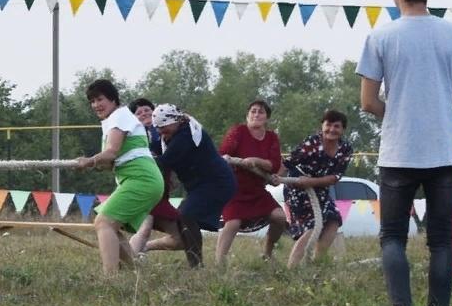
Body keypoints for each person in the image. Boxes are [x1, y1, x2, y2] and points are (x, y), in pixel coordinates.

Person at [358, 0, 452, 306]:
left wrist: (397, 114)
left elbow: (367, 101)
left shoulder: (380, 37)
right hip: (444, 149)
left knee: (393, 236)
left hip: (399, 151)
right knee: (441, 240)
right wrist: (441, 93)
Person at [75, 81, 165, 275]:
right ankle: (135, 274)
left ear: (113, 99)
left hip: (142, 179)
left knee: (103, 223)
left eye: (100, 99)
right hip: (139, 179)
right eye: (92, 101)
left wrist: (89, 161)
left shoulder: (120, 116)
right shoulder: (112, 121)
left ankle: (111, 279)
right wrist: (93, 163)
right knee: (112, 227)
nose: (96, 105)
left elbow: (112, 152)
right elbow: (109, 162)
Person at [149, 104, 236, 267]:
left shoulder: (186, 135)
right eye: (158, 128)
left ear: (174, 121)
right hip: (202, 185)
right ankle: (195, 264)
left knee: (186, 215)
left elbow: (164, 161)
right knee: (184, 217)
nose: (160, 132)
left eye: (163, 127)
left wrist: (139, 161)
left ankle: (196, 266)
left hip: (217, 182)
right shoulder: (174, 132)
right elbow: (153, 148)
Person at [216, 100, 287, 265]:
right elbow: (223, 155)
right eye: (253, 111)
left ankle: (267, 253)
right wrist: (236, 161)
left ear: (267, 117)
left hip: (257, 190)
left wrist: (255, 161)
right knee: (233, 223)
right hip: (234, 188)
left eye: (260, 112)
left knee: (279, 217)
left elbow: (274, 164)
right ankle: (219, 263)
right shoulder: (238, 132)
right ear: (247, 116)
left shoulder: (271, 137)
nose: (256, 115)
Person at [282, 110, 354, 267]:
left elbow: (335, 177)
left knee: (333, 220)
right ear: (322, 126)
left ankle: (317, 261)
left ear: (343, 130)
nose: (332, 130)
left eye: (337, 126)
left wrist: (312, 182)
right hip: (297, 187)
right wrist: (274, 178)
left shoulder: (346, 149)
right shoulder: (312, 143)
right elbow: (288, 162)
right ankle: (291, 268)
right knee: (313, 226)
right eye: (328, 125)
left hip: (320, 189)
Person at [125, 98, 183, 259]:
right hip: (144, 187)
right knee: (145, 228)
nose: (144, 113)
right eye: (138, 112)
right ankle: (127, 267)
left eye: (146, 110)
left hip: (162, 192)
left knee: (183, 238)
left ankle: (142, 248)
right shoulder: (134, 135)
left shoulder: (169, 131)